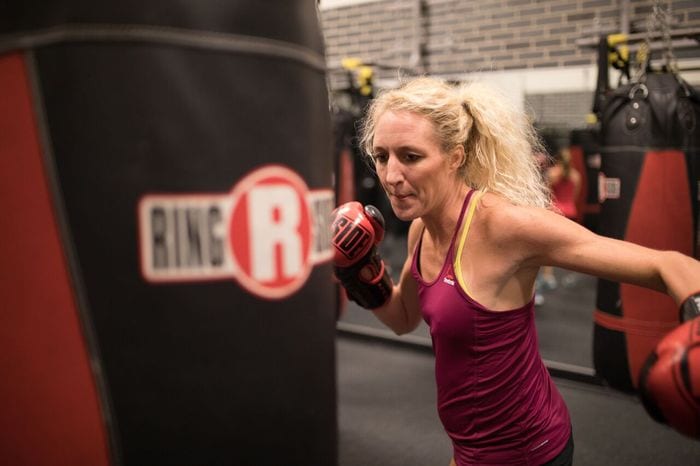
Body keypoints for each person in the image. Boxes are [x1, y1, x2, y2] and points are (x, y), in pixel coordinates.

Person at [330, 76, 700, 465]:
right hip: (470, 450)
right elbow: (403, 318)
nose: (389, 176)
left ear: (456, 157)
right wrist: (359, 276)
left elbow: (669, 264)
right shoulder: (421, 231)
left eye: (410, 156)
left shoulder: (504, 227)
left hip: (530, 452)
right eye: (381, 155)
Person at [539, 147, 583, 291]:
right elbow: (574, 196)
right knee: (569, 245)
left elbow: (547, 194)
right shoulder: (576, 175)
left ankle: (548, 277)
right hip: (570, 212)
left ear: (557, 159)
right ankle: (570, 274)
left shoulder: (552, 173)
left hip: (555, 211)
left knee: (547, 247)